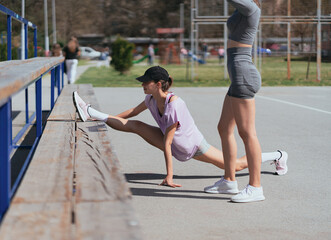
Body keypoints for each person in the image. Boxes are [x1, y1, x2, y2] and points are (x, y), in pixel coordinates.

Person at [72, 66, 288, 188]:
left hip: (192, 147)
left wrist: (170, 175)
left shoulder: (175, 105)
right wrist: (104, 118)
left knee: (238, 165)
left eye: (145, 82)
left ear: (158, 84)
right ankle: (91, 113)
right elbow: (131, 114)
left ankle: (278, 155)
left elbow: (168, 143)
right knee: (136, 125)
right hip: (173, 142)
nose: (142, 84)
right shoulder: (149, 99)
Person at [205, 0, 285, 203]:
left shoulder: (252, 8)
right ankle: (229, 181)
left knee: (247, 133)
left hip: (243, 74)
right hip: (238, 75)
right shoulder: (244, 8)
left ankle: (256, 187)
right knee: (224, 128)